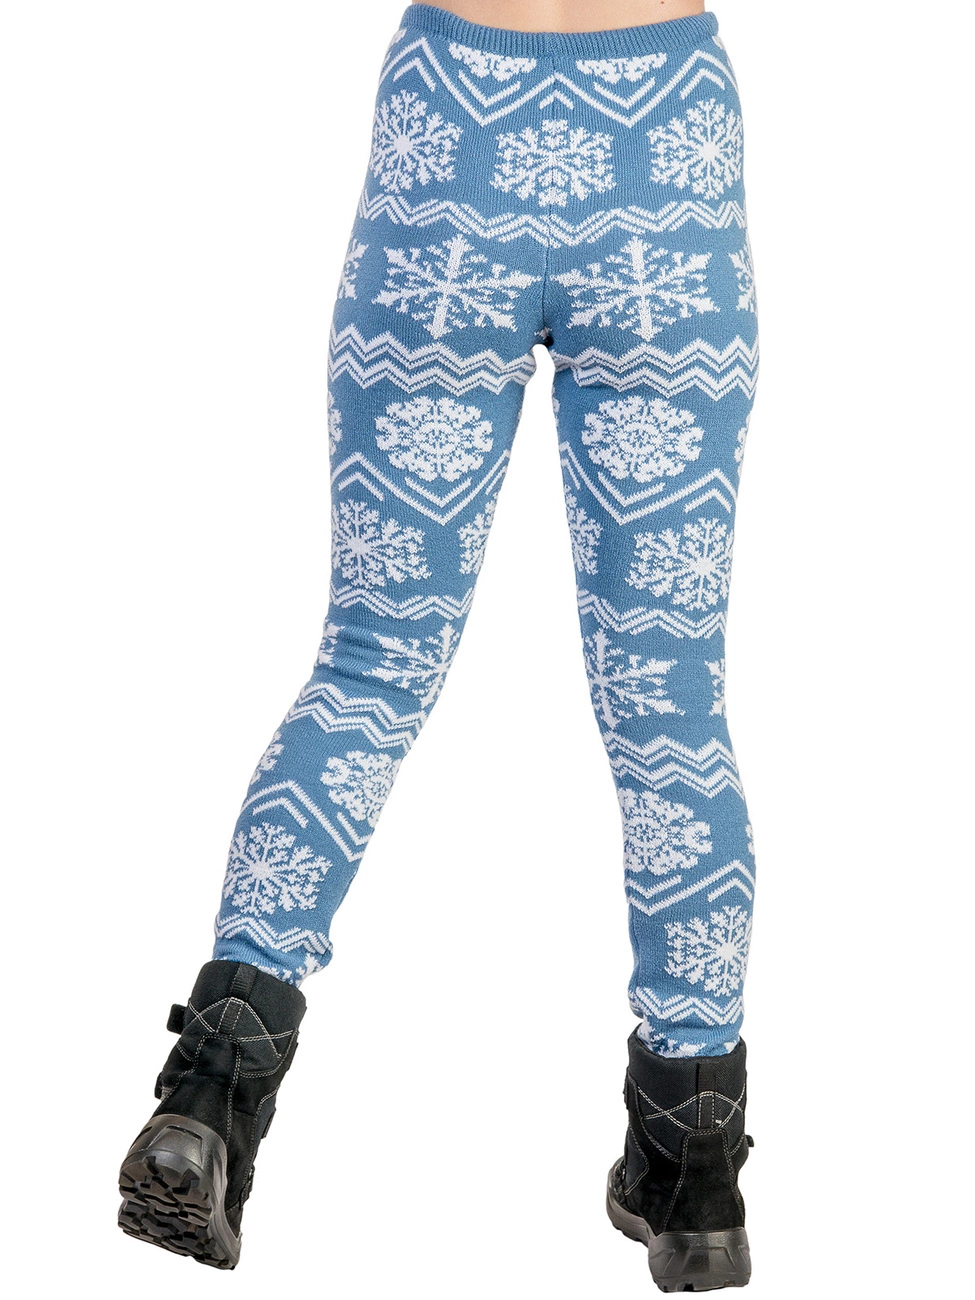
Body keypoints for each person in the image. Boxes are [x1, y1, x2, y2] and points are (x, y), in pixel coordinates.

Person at [118, 1, 758, 1289]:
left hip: (451, 138)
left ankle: (212, 1094)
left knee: (369, 664)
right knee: (671, 706)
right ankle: (694, 1172)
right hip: (669, 158)